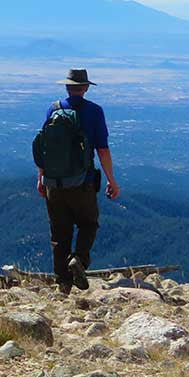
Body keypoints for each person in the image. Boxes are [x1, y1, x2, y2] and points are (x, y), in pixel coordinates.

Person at [35, 68, 120, 294]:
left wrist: (41, 177)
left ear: (67, 87)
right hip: (82, 183)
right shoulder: (94, 111)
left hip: (54, 183)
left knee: (59, 233)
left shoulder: (53, 109)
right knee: (88, 223)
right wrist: (111, 180)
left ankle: (63, 284)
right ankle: (79, 260)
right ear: (86, 88)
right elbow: (103, 150)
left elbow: (44, 147)